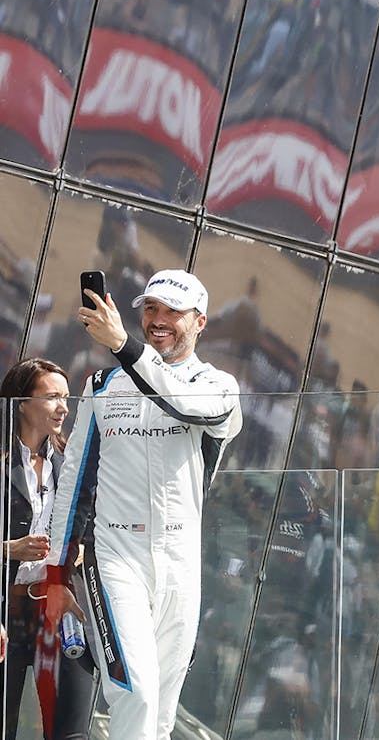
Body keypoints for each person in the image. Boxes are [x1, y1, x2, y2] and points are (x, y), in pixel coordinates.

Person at [43, 270, 243, 740]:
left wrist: (126, 348)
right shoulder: (101, 384)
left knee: (162, 713)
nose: (158, 320)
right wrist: (56, 572)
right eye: (150, 308)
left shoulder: (216, 385)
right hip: (116, 556)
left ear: (200, 322)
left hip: (181, 562)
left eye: (173, 311)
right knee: (136, 694)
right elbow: (74, 477)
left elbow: (189, 407)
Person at [0, 358, 96, 740]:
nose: (64, 407)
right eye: (52, 397)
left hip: (57, 609)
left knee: (72, 731)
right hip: (7, 609)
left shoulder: (69, 462)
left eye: (66, 398)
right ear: (21, 402)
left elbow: (89, 526)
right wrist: (8, 548)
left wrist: (80, 552)